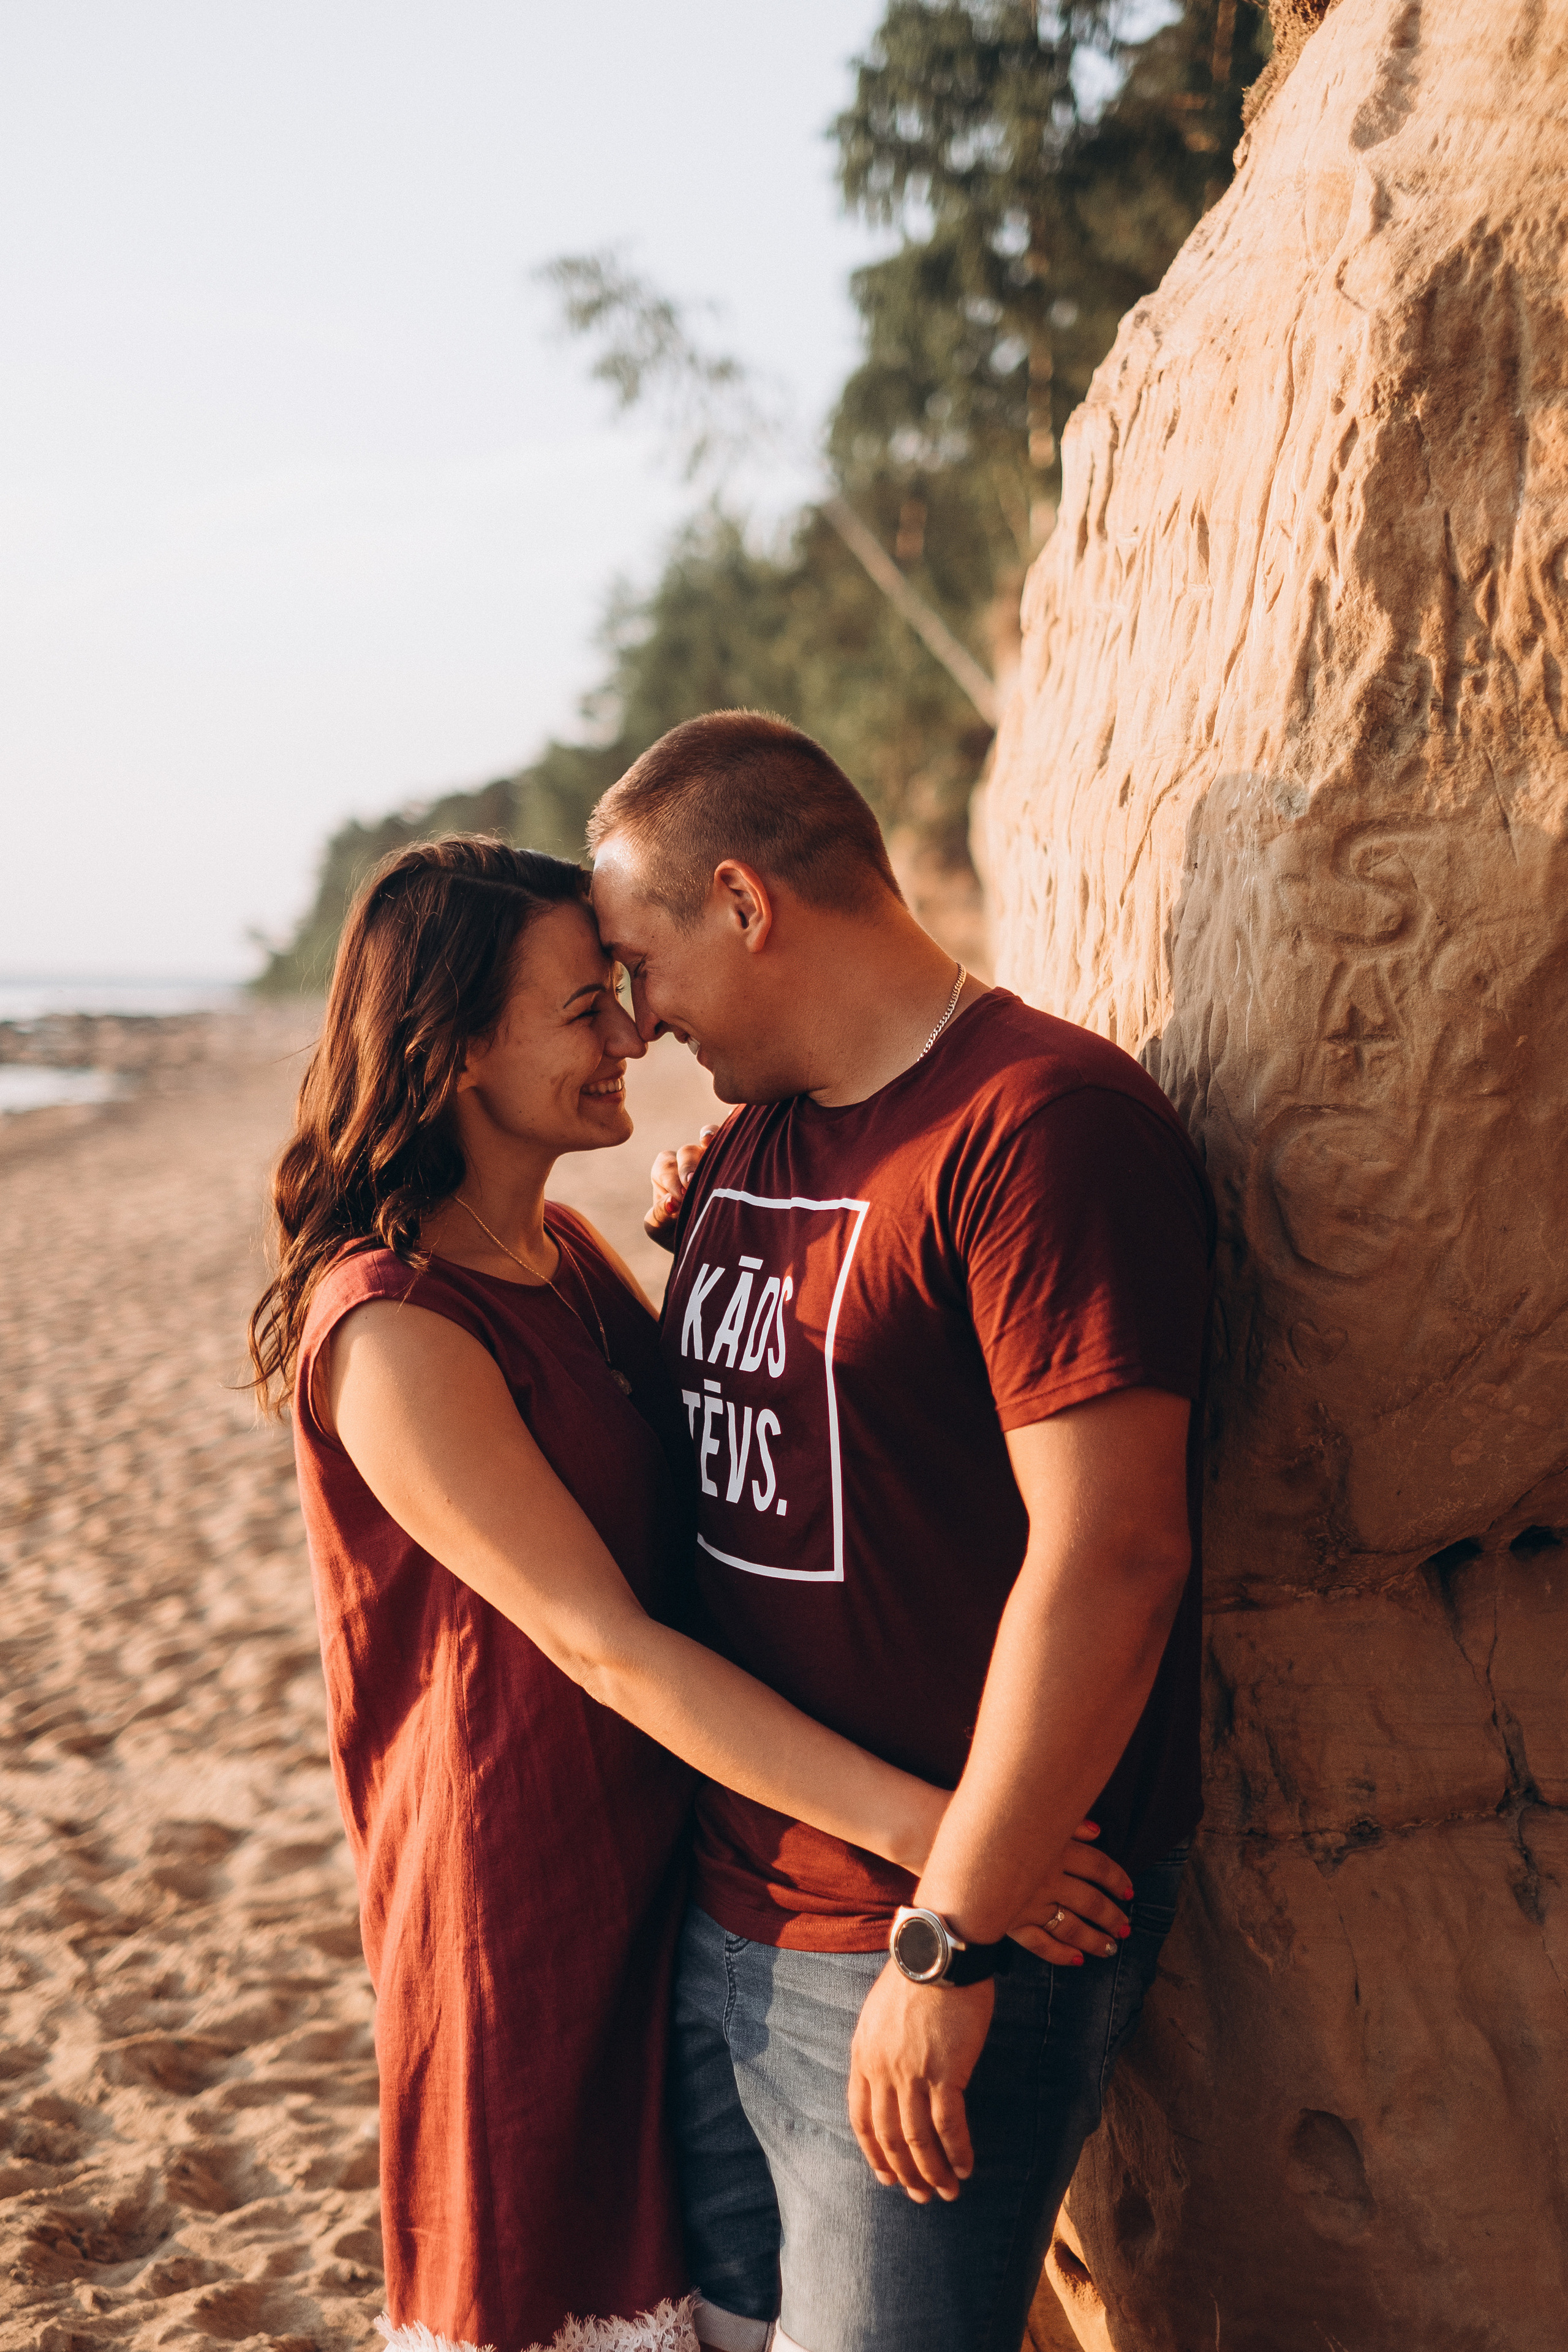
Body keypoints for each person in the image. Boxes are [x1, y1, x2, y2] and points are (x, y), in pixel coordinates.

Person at [247, 837, 1130, 2352]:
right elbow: (605, 1647)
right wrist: (951, 1845)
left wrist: (717, 1237)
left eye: (621, 991)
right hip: (525, 1889)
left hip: (695, 1845)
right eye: (580, 1010)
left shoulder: (567, 1253)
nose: (630, 1033)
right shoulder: (389, 1327)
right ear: (453, 1052)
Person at [588, 711, 1216, 2352]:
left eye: (642, 965)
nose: (639, 1023)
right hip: (732, 1904)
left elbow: (1115, 1558)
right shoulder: (758, 1137)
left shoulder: (1044, 1126)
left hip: (939, 1936)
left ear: (745, 902)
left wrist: (949, 1944)